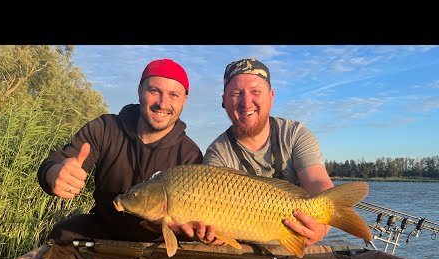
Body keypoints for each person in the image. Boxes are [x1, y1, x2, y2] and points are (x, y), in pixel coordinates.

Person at [171, 58, 334, 248]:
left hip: (293, 240)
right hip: (245, 251)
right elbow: (217, 226)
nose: (246, 102)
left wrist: (321, 228)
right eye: (236, 93)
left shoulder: (294, 134)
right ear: (224, 100)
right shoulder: (218, 153)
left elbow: (316, 181)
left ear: (271, 96)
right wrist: (215, 238)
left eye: (255, 91)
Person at [37, 58, 203, 243]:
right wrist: (54, 175)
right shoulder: (105, 128)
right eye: (154, 91)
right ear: (140, 91)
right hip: (103, 230)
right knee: (64, 232)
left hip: (157, 242)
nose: (162, 104)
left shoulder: (190, 154)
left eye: (173, 95)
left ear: (184, 100)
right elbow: (54, 163)